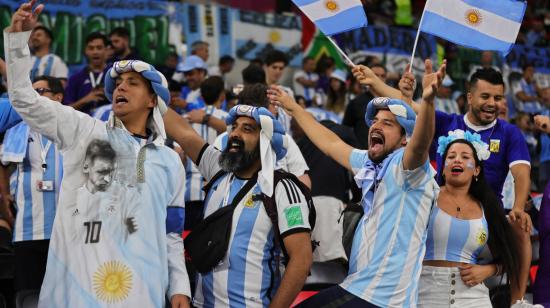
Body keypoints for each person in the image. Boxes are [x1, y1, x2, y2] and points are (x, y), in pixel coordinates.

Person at [5, 2, 191, 306]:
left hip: (144, 292)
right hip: (80, 291)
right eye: (117, 83)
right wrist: (17, 44)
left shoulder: (170, 160)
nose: (121, 88)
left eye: (133, 83)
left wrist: (179, 286)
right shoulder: (84, 132)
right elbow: (24, 100)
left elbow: (171, 233)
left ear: (152, 101)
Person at [269, 59, 446, 307]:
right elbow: (331, 144)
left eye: (387, 123)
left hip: (382, 298)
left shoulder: (407, 168)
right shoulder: (368, 162)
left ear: (404, 139)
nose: (376, 125)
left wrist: (427, 101)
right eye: (374, 121)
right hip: (358, 287)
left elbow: (421, 141)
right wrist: (294, 108)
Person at [399, 67, 533, 302]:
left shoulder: (510, 133)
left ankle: (517, 302)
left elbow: (521, 172)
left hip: (488, 217)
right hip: (441, 208)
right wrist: (403, 93)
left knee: (520, 226)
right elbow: (412, 109)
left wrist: (519, 207)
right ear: (470, 97)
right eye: (485, 96)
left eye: (498, 97)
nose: (493, 103)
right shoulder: (447, 122)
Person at [162, 104, 313, 307]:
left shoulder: (282, 188)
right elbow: (183, 132)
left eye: (247, 129)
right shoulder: (218, 170)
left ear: (265, 141)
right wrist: (150, 94)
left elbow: (301, 261)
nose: (235, 134)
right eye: (234, 127)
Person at [419, 129, 521, 307]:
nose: (457, 160)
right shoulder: (426, 196)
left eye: (465, 157)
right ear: (443, 170)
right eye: (451, 157)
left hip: (474, 298)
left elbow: (511, 256)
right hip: (425, 294)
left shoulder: (487, 206)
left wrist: (489, 270)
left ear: (476, 171)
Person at [0, 75, 64, 293]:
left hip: (65, 230)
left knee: (61, 295)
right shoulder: (17, 130)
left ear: (58, 97)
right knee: (28, 295)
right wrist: (5, 194)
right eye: (32, 92)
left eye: (41, 91)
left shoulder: (74, 131)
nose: (35, 98)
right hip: (26, 229)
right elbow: (2, 161)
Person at [213, 84, 311, 189]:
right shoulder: (223, 141)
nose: (276, 110)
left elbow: (302, 178)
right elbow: (211, 181)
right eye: (273, 105)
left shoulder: (283, 139)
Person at [179, 76, 228, 230]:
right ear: (222, 95)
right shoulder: (228, 119)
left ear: (201, 96)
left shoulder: (186, 118)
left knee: (188, 246)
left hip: (190, 192)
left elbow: (179, 155)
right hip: (219, 192)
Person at [343, 63, 388, 149]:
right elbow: (346, 129)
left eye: (383, 76)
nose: (380, 79)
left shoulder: (392, 103)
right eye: (376, 75)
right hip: (361, 153)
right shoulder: (356, 103)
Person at [64, 32, 110, 115]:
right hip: (83, 126)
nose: (95, 52)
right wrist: (85, 100)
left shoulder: (114, 76)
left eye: (99, 48)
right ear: (86, 51)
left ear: (106, 50)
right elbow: (65, 110)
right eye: (91, 48)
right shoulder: (75, 79)